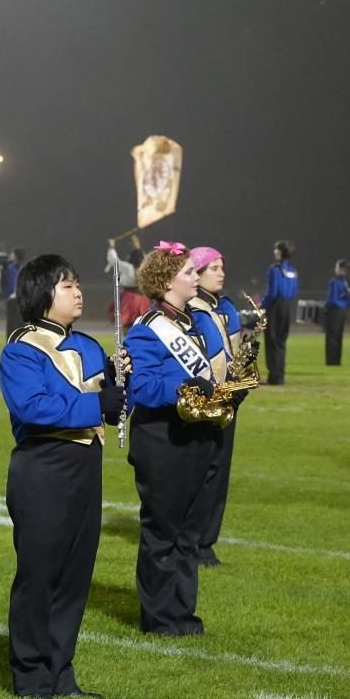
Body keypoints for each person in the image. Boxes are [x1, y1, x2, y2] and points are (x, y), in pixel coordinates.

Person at [0, 254, 127, 699]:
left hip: (85, 466)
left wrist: (119, 381)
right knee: (40, 575)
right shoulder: (21, 349)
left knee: (75, 576)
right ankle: (31, 676)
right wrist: (98, 406)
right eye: (66, 285)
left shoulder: (90, 345)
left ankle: (61, 673)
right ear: (41, 294)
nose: (77, 291)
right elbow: (33, 408)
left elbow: (107, 394)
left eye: (76, 283)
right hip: (43, 467)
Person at [124, 242, 223, 636]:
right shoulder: (147, 331)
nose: (196, 277)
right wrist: (189, 383)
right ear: (166, 281)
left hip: (195, 436)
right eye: (188, 273)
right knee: (163, 532)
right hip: (163, 441)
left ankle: (183, 614)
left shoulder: (190, 324)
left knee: (189, 535)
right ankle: (160, 618)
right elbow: (144, 389)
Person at [185, 246, 244, 569]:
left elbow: (233, 357)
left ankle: (207, 542)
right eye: (213, 268)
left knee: (219, 472)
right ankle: (190, 538)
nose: (221, 272)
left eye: (222, 267)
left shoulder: (228, 308)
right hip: (201, 400)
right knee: (199, 470)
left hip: (228, 399)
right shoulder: (190, 310)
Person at [260, 240, 299, 385]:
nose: (274, 252)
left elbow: (272, 292)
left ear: (281, 252)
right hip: (287, 307)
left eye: (276, 249)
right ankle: (280, 375)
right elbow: (294, 291)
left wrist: (262, 305)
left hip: (275, 307)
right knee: (281, 342)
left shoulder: (274, 269)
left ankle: (274, 377)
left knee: (272, 342)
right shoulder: (293, 271)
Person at [323, 259, 350, 366]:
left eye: (337, 267)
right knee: (338, 336)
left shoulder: (334, 282)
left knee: (331, 337)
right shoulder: (347, 283)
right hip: (342, 311)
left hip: (334, 311)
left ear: (340, 269)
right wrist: (344, 304)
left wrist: (326, 307)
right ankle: (337, 361)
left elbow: (332, 299)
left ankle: (331, 361)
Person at [0, 247, 27, 337]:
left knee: (12, 327)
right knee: (22, 326)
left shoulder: (11, 269)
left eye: (12, 254)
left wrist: (3, 293)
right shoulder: (24, 268)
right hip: (23, 300)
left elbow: (10, 287)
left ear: (15, 256)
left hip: (13, 300)